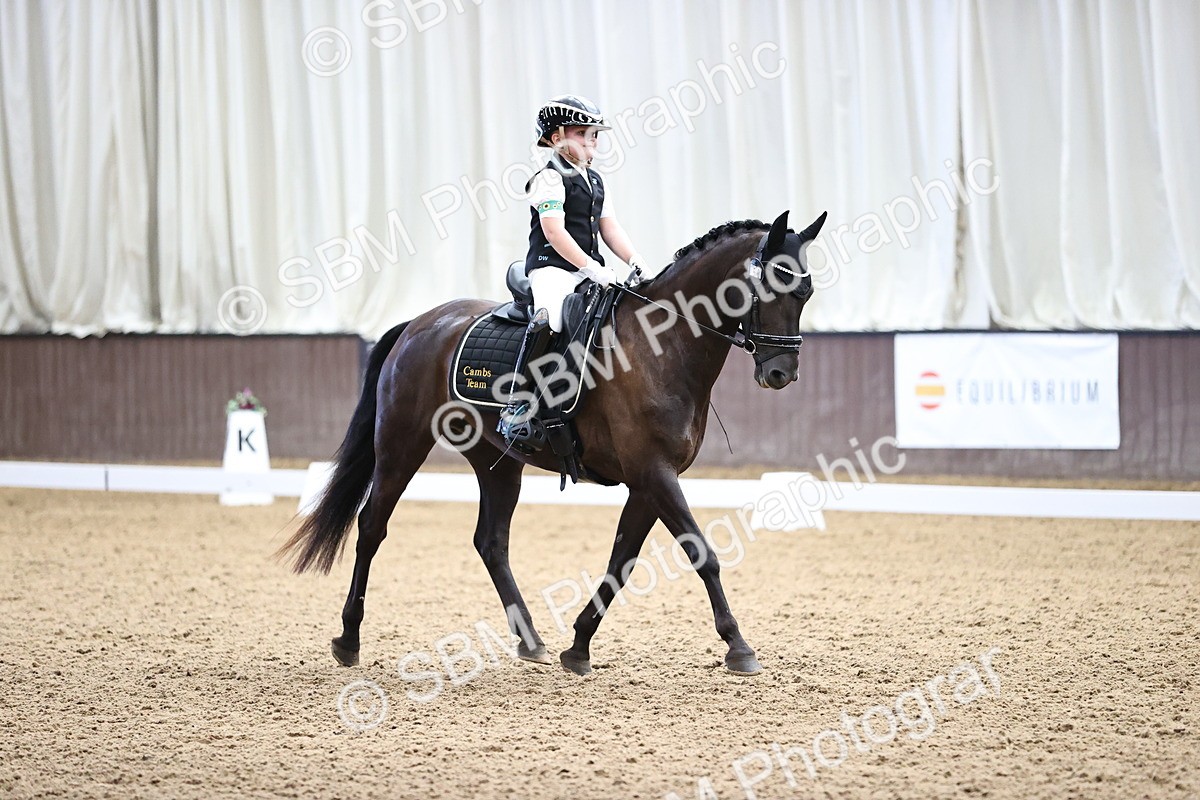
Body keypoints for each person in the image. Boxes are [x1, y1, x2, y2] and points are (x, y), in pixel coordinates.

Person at [499, 94, 648, 448]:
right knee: (549, 318)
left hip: (588, 269)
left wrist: (634, 260)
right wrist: (591, 267)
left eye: (594, 134)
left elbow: (610, 229)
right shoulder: (548, 179)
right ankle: (519, 403)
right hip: (552, 268)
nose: (591, 140)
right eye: (582, 133)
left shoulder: (597, 181)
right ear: (556, 138)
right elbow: (554, 231)